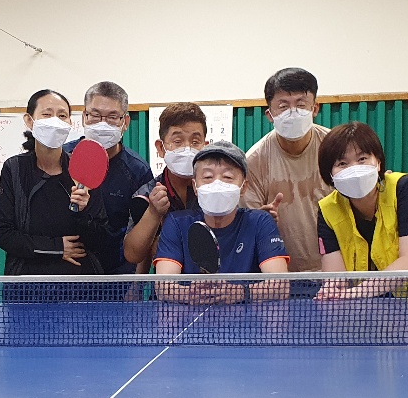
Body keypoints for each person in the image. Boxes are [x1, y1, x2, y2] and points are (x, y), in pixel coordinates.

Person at [312, 122, 408, 300]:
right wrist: (331, 292)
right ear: (330, 174)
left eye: (362, 159)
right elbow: (336, 279)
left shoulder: (404, 188)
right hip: (396, 303)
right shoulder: (328, 210)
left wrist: (353, 294)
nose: (354, 169)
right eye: (342, 163)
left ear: (378, 163)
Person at [0, 89, 112, 276]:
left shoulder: (84, 168)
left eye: (62, 115)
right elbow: (3, 233)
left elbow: (102, 239)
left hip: (79, 283)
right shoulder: (14, 168)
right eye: (47, 114)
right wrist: (56, 248)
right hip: (27, 283)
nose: (55, 121)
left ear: (70, 123)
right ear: (29, 120)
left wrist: (84, 212)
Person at [154, 142, 289, 304]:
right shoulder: (177, 223)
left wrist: (240, 292)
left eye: (228, 177)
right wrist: (190, 294)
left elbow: (281, 285)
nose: (217, 184)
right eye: (208, 177)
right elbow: (163, 286)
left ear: (243, 187)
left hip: (247, 317)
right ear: (195, 186)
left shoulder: (260, 221)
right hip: (190, 314)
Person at [242, 67, 331, 272]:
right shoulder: (254, 161)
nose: (293, 112)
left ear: (315, 108)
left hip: (335, 272)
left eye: (301, 104)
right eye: (283, 106)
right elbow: (248, 228)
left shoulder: (335, 149)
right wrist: (260, 220)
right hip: (281, 276)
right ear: (270, 114)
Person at [62, 81, 154, 274]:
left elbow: (144, 233)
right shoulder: (62, 158)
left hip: (116, 275)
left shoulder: (138, 170)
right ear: (84, 117)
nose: (102, 124)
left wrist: (136, 285)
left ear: (125, 122)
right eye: (95, 115)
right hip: (65, 274)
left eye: (112, 117)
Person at [122, 102, 207, 271]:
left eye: (195, 141)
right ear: (161, 148)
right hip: (166, 284)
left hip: (213, 284)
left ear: (205, 146)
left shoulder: (216, 190)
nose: (187, 148)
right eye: (177, 141)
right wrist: (153, 213)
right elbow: (132, 255)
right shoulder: (147, 194)